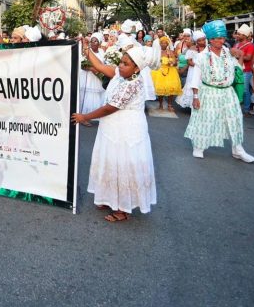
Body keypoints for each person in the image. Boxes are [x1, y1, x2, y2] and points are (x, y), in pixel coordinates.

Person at [72, 46, 157, 222]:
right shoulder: (121, 73)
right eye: (121, 61)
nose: (120, 65)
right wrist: (85, 48)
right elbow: (101, 66)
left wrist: (84, 117)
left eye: (126, 64)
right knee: (109, 161)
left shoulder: (132, 84)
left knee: (123, 165)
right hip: (112, 129)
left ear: (137, 68)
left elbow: (109, 108)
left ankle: (122, 208)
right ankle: (107, 197)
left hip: (127, 132)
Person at [184, 20, 254, 163]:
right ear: (211, 40)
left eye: (223, 38)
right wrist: (196, 97)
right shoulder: (202, 56)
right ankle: (199, 146)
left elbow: (238, 70)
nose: (222, 41)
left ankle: (238, 150)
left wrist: (239, 56)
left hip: (228, 92)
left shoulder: (229, 53)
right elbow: (196, 78)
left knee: (235, 119)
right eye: (218, 38)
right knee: (205, 120)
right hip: (208, 92)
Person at [79, 33, 106, 121]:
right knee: (87, 95)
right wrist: (91, 68)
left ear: (99, 43)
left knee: (97, 95)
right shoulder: (87, 51)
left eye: (95, 41)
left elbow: (103, 64)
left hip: (97, 78)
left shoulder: (102, 52)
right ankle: (84, 117)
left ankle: (95, 115)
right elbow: (82, 65)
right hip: (88, 77)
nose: (93, 43)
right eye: (92, 41)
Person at [177, 30, 207, 108]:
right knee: (193, 85)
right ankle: (192, 104)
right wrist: (199, 64)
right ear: (196, 41)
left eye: (203, 39)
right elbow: (189, 62)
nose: (202, 42)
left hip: (204, 71)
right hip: (193, 71)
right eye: (199, 40)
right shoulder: (192, 49)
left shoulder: (208, 49)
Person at [152, 36, 182, 111]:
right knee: (160, 89)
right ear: (160, 44)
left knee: (171, 88)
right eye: (162, 43)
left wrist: (172, 62)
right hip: (159, 72)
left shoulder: (171, 52)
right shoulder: (157, 52)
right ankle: (160, 105)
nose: (163, 44)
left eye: (165, 43)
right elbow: (154, 62)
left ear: (167, 44)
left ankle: (169, 105)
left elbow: (175, 63)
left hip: (170, 72)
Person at [232, 24, 254, 115]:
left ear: (244, 35)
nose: (237, 35)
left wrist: (237, 55)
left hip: (245, 71)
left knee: (245, 90)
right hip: (235, 70)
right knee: (235, 88)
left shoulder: (250, 45)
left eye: (239, 34)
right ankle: (236, 107)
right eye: (237, 34)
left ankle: (246, 109)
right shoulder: (236, 44)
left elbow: (248, 57)